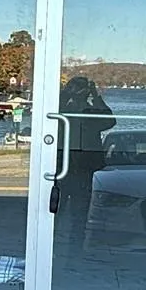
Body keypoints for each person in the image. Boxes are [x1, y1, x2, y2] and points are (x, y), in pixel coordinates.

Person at [56, 74, 114, 247]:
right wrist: (67, 93)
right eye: (74, 87)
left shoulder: (90, 112)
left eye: (79, 88)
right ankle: (49, 249)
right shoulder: (60, 110)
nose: (77, 91)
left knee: (79, 214)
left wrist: (95, 96)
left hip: (83, 168)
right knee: (53, 212)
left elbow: (110, 121)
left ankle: (75, 251)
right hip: (61, 167)